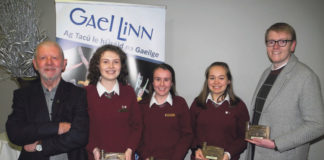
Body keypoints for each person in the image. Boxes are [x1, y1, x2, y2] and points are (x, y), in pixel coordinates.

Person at [246, 22, 324, 160]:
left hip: (282, 155)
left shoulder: (306, 76)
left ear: (292, 45)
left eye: (282, 41)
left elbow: (318, 125)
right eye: (271, 42)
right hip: (255, 153)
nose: (275, 46)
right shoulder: (266, 73)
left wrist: (276, 143)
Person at [6, 41, 89, 160]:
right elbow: (15, 133)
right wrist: (57, 127)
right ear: (35, 64)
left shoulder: (78, 94)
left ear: (64, 64)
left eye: (54, 58)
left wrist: (41, 146)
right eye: (43, 58)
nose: (49, 62)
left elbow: (79, 136)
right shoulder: (22, 95)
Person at [85, 44, 142, 160]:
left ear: (121, 66)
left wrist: (130, 149)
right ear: (97, 65)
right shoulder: (85, 94)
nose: (111, 66)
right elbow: (81, 128)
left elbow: (137, 126)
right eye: (105, 62)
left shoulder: (129, 92)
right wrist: (93, 149)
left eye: (116, 62)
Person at [190, 62, 249, 160]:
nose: (216, 82)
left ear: (228, 81)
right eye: (212, 78)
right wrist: (195, 149)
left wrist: (228, 155)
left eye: (221, 78)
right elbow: (189, 131)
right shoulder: (197, 103)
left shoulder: (239, 106)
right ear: (207, 80)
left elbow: (243, 137)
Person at [136, 63, 193, 160]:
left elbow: (187, 135)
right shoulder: (141, 106)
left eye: (166, 80)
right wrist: (146, 157)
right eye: (158, 79)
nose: (162, 84)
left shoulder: (180, 103)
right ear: (152, 82)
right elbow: (137, 135)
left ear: (171, 83)